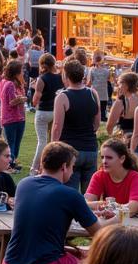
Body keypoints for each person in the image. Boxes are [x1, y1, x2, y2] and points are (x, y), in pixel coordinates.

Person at [2, 142, 100, 264]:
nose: (73, 172)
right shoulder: (70, 195)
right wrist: (118, 219)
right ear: (63, 167)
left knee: (78, 254)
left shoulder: (24, 184)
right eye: (72, 166)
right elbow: (100, 234)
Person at [51, 59, 100, 194]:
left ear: (66, 75)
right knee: (89, 195)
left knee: (68, 193)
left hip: (70, 149)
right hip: (90, 148)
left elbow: (57, 126)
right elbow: (97, 122)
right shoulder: (92, 93)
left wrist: (52, 147)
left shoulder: (63, 97)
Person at [85, 139, 138, 216]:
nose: (104, 161)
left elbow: (133, 208)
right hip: (112, 220)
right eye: (102, 157)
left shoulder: (135, 177)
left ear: (122, 159)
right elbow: (86, 204)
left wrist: (111, 208)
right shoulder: (99, 175)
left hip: (135, 222)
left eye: (109, 158)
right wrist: (103, 204)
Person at [31, 53, 62, 173]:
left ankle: (34, 168)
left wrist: (35, 89)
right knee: (52, 142)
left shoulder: (42, 79)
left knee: (42, 142)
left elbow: (35, 100)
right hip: (55, 110)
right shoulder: (60, 77)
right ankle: (48, 168)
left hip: (43, 112)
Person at [0, 59, 27, 171]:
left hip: (18, 117)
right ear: (16, 73)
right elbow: (12, 102)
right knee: (11, 144)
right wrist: (23, 99)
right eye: (21, 71)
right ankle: (8, 165)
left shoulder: (10, 82)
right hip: (11, 118)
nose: (23, 73)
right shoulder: (9, 84)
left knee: (16, 143)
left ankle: (12, 162)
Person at [105, 70, 138, 140]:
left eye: (119, 84)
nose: (118, 87)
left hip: (125, 138)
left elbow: (109, 126)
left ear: (126, 85)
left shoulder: (121, 102)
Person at [86, 52, 111, 122]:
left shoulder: (92, 70)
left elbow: (89, 82)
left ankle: (95, 124)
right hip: (104, 94)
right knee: (103, 111)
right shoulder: (107, 71)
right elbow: (108, 80)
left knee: (95, 111)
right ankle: (102, 124)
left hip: (95, 93)